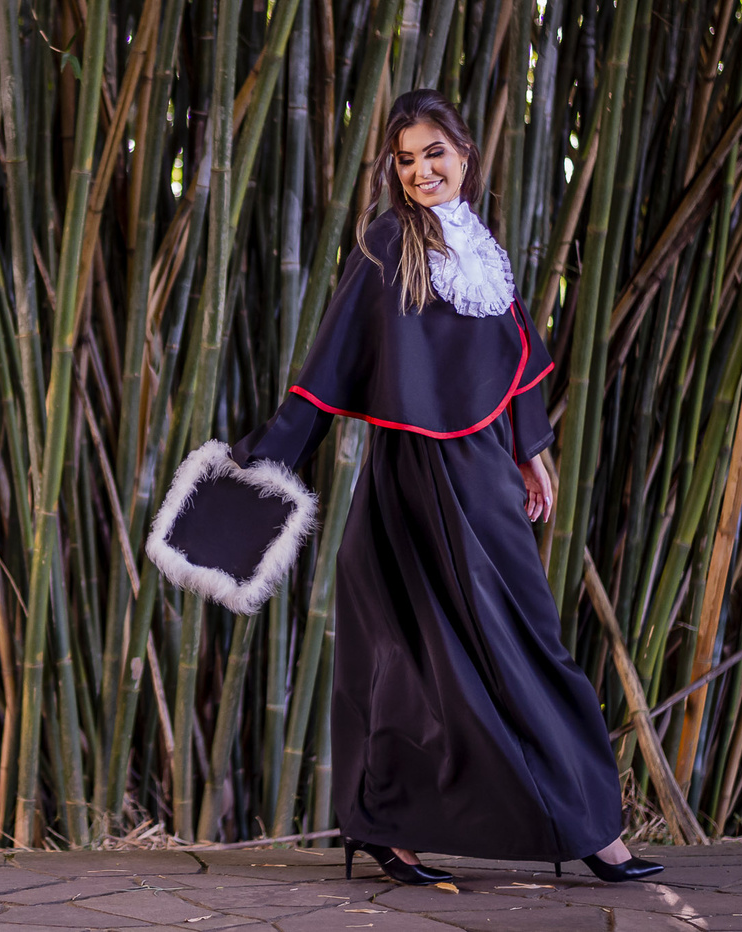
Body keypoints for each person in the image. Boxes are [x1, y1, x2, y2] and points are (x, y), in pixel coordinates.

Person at [229, 89, 664, 885]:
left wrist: (530, 450)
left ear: (465, 153)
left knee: (527, 639)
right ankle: (394, 830)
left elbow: (512, 353)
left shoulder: (479, 244)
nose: (421, 171)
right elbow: (329, 365)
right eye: (406, 159)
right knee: (411, 654)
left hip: (483, 470)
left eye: (435, 153)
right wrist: (264, 460)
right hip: (414, 477)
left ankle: (587, 824)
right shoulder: (387, 243)